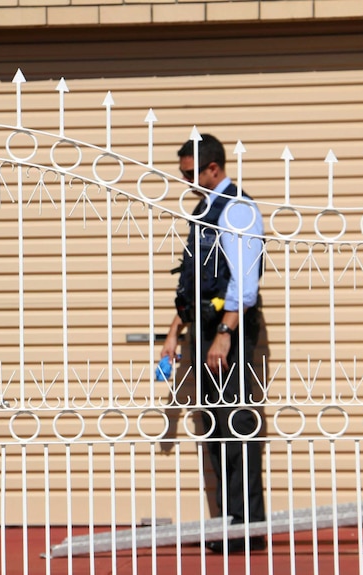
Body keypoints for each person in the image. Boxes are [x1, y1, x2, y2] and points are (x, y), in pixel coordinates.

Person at [159, 134, 266, 553]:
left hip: (230, 330)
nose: (187, 182)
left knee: (238, 425)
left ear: (213, 169)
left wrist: (225, 334)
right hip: (204, 327)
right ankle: (228, 524)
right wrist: (175, 331)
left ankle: (246, 529)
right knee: (215, 429)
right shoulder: (204, 209)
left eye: (190, 173)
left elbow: (244, 279)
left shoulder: (236, 208)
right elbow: (196, 282)